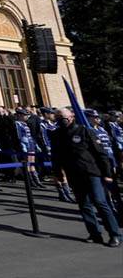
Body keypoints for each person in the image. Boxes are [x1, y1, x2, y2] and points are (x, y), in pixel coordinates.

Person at [50, 106, 120, 247]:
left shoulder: (84, 131)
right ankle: (94, 233)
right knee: (84, 205)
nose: (61, 120)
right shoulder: (56, 135)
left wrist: (107, 173)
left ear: (71, 117)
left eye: (63, 117)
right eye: (58, 118)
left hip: (91, 172)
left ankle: (114, 234)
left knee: (100, 202)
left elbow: (101, 154)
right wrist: (57, 173)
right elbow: (56, 156)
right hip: (73, 174)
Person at [14, 107, 40, 188]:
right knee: (28, 163)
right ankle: (30, 180)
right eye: (25, 115)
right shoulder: (17, 123)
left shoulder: (25, 124)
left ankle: (36, 179)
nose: (26, 117)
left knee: (32, 162)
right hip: (24, 144)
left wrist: (35, 144)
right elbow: (19, 136)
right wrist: (22, 145)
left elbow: (29, 135)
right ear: (20, 115)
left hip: (30, 143)